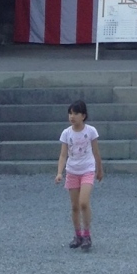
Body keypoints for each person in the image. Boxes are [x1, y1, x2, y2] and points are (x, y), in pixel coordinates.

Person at [55, 99, 104, 251]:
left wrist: (99, 169)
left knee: (83, 203)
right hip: (72, 171)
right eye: (70, 113)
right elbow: (63, 155)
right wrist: (59, 172)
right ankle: (78, 235)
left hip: (87, 169)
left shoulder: (91, 131)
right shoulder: (66, 133)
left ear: (83, 115)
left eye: (76, 113)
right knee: (75, 206)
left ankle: (87, 234)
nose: (72, 116)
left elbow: (96, 152)